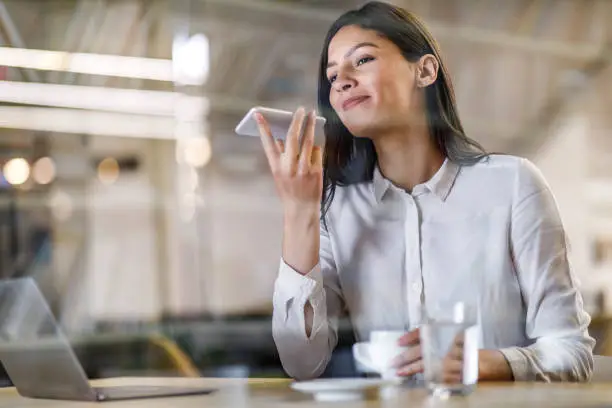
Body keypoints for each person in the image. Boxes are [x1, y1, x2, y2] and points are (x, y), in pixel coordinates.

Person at [256, 1, 594, 382]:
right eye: (332, 76)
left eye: (362, 60)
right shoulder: (338, 210)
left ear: (425, 70)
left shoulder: (513, 184)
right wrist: (299, 211)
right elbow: (302, 363)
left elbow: (572, 353)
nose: (342, 80)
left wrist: (484, 364)